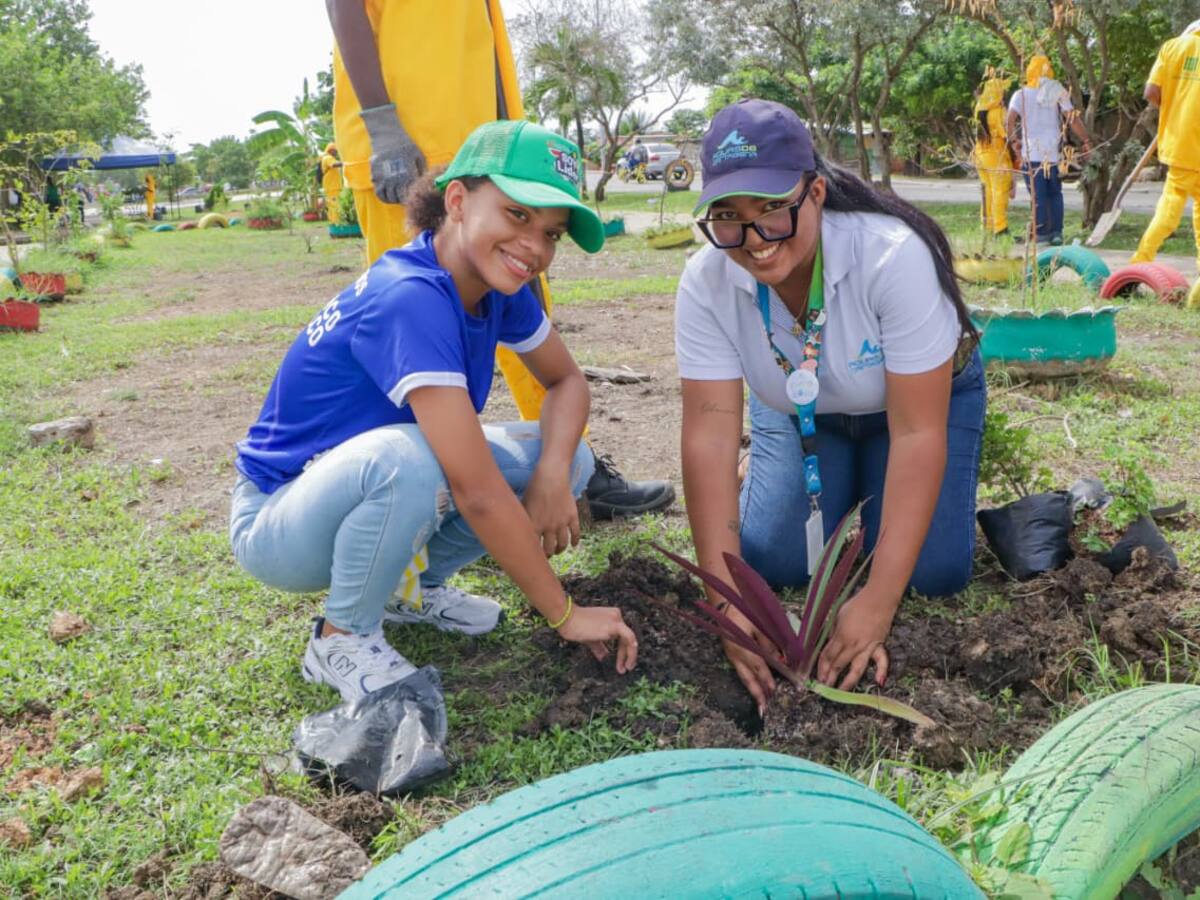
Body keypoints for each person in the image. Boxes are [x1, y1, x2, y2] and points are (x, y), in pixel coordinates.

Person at [229, 121, 638, 702]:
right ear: (457, 201)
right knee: (414, 458)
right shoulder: (410, 296)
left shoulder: (499, 287)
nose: (534, 247)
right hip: (277, 517)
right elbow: (476, 490)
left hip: (360, 485)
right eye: (517, 215)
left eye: (551, 233)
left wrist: (551, 474)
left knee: (569, 456)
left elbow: (567, 381)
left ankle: (408, 591)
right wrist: (565, 613)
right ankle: (339, 635)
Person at [675, 99, 986, 712]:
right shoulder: (706, 282)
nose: (756, 239)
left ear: (815, 192)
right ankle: (819, 479)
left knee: (933, 573)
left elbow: (919, 432)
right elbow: (709, 434)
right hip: (799, 409)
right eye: (729, 218)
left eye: (773, 211)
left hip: (913, 411)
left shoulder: (891, 258)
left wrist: (876, 602)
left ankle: (862, 491)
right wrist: (729, 606)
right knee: (773, 560)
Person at [326, 0, 674, 521]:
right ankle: (412, 499)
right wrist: (381, 123)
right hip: (410, 147)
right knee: (415, 335)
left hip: (488, 151)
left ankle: (571, 471)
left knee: (523, 300)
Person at [1131, 19, 1200, 270]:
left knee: (1169, 208)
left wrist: (1173, 108)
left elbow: (1151, 92)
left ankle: (1141, 260)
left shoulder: (1172, 48)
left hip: (1181, 145)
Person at [1006, 55, 1091, 246]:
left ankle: (1041, 234)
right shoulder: (1057, 91)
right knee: (1055, 193)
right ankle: (1056, 233)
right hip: (1052, 154)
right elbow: (1072, 118)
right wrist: (1086, 140)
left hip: (1031, 154)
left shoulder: (1020, 94)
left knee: (1038, 194)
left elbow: (1009, 120)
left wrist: (1014, 142)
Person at [973, 73, 1015, 237]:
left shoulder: (980, 108)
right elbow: (1007, 136)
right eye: (1002, 90)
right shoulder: (998, 111)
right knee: (1000, 191)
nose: (1004, 93)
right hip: (996, 154)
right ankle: (1001, 229)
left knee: (988, 191)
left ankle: (988, 227)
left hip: (981, 154)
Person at [320, 143, 344, 224]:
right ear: (331, 150)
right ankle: (336, 222)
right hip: (332, 187)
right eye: (335, 151)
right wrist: (346, 162)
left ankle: (334, 221)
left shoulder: (329, 158)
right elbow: (334, 164)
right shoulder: (328, 158)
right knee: (334, 205)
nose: (336, 152)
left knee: (332, 205)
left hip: (333, 186)